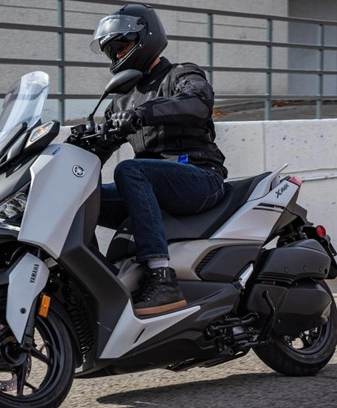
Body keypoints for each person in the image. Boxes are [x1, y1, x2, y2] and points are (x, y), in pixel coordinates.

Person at [74, 3, 228, 317]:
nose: (116, 55)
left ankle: (161, 277)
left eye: (121, 45)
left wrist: (142, 115)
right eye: (110, 51)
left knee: (129, 169)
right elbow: (96, 154)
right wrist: (71, 153)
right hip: (151, 187)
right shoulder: (120, 100)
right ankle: (96, 281)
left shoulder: (181, 73)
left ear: (146, 37)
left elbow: (199, 102)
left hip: (199, 175)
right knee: (79, 197)